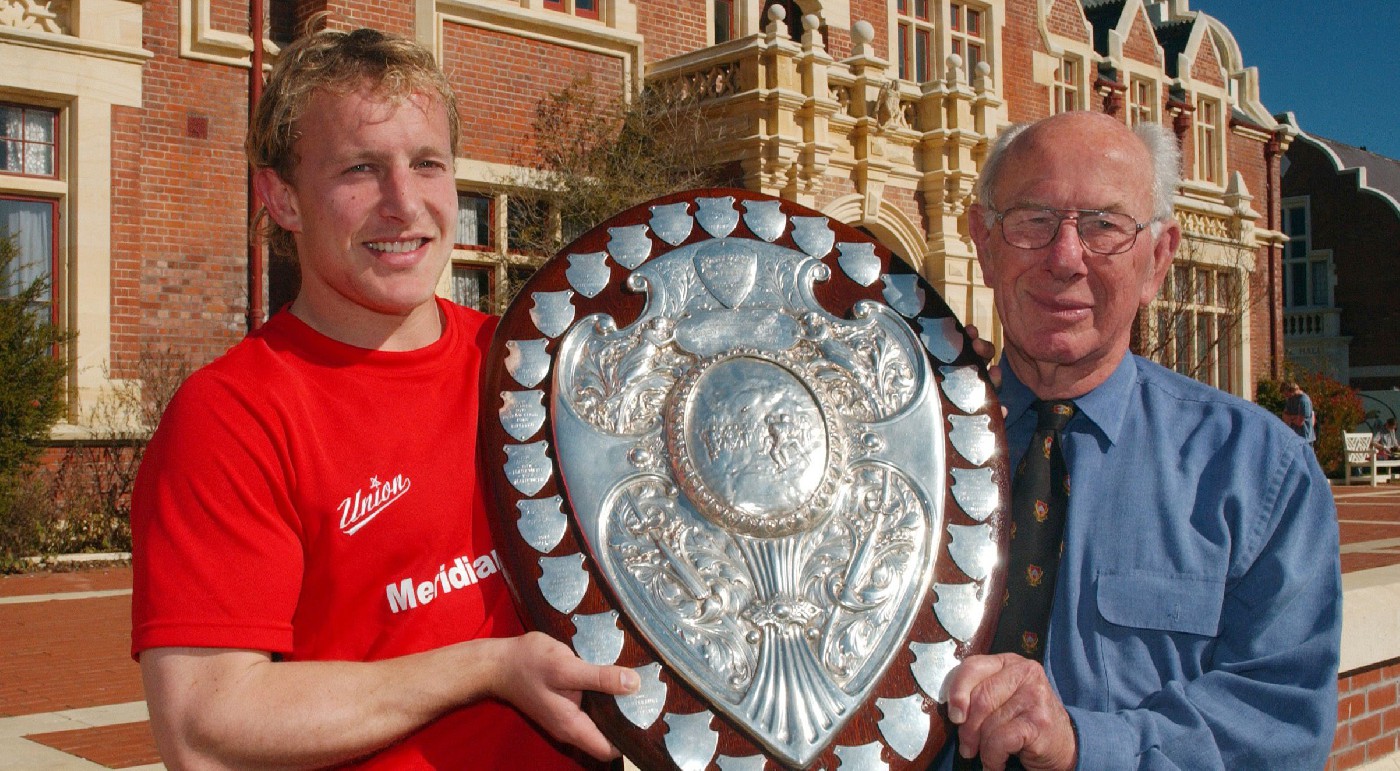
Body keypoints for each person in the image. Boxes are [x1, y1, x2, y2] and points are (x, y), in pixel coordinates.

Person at [130, 25, 638, 769]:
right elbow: (205, 725)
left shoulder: (539, 367)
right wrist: (484, 668)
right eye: (360, 170)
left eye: (426, 163)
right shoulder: (233, 415)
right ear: (282, 198)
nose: (403, 204)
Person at [942, 112, 1342, 770]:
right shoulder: (897, 447)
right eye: (1033, 219)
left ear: (1158, 258)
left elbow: (1281, 725)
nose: (1065, 258)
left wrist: (1081, 743)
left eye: (1104, 224)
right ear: (984, 243)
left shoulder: (1261, 475)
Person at [1282, 380, 1317, 444]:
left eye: (1286, 394)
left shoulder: (1304, 401)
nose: (1286, 396)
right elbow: (1284, 416)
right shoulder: (1290, 400)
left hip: (1305, 438)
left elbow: (1300, 422)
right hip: (1294, 437)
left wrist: (1290, 418)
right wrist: (1294, 417)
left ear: (1291, 391)